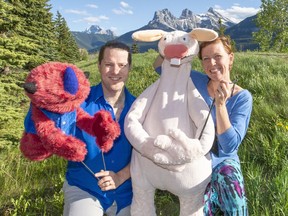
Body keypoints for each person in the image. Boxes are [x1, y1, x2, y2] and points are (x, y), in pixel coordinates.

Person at [154, 36, 252, 215]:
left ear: (230, 58)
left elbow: (229, 146)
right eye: (206, 58)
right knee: (200, 208)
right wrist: (172, 40)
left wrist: (221, 106)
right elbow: (159, 67)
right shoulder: (194, 80)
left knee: (235, 201)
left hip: (223, 162)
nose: (212, 63)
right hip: (195, 158)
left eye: (217, 56)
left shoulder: (242, 97)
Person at [63, 41, 135, 216]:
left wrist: (120, 177)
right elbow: (57, 134)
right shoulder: (78, 102)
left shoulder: (139, 107)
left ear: (129, 68)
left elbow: (146, 155)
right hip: (84, 187)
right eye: (109, 64)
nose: (116, 71)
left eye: (122, 65)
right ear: (99, 66)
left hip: (127, 192)